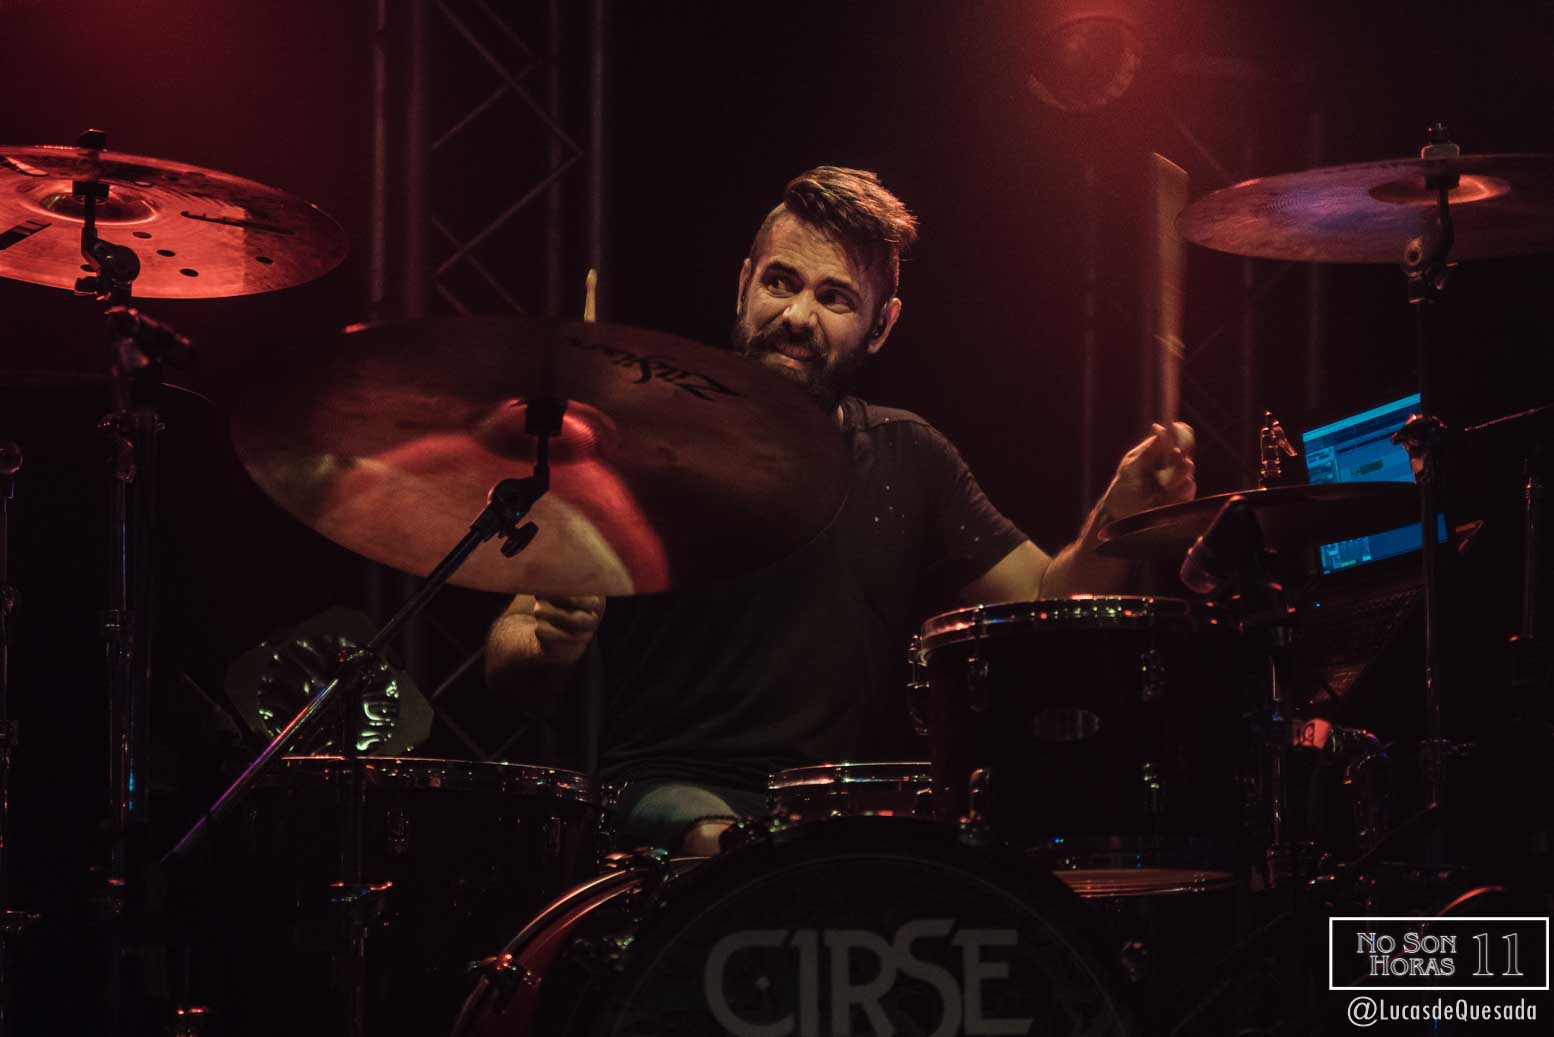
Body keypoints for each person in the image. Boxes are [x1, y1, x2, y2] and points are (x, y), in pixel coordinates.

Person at [486, 166, 1195, 855]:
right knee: (721, 843)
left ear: (880, 326)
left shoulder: (908, 457)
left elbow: (1045, 603)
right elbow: (509, 659)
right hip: (664, 802)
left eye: (834, 298)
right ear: (743, 284)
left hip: (832, 820)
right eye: (780, 282)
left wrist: (1118, 513)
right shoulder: (633, 446)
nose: (797, 316)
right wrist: (549, 642)